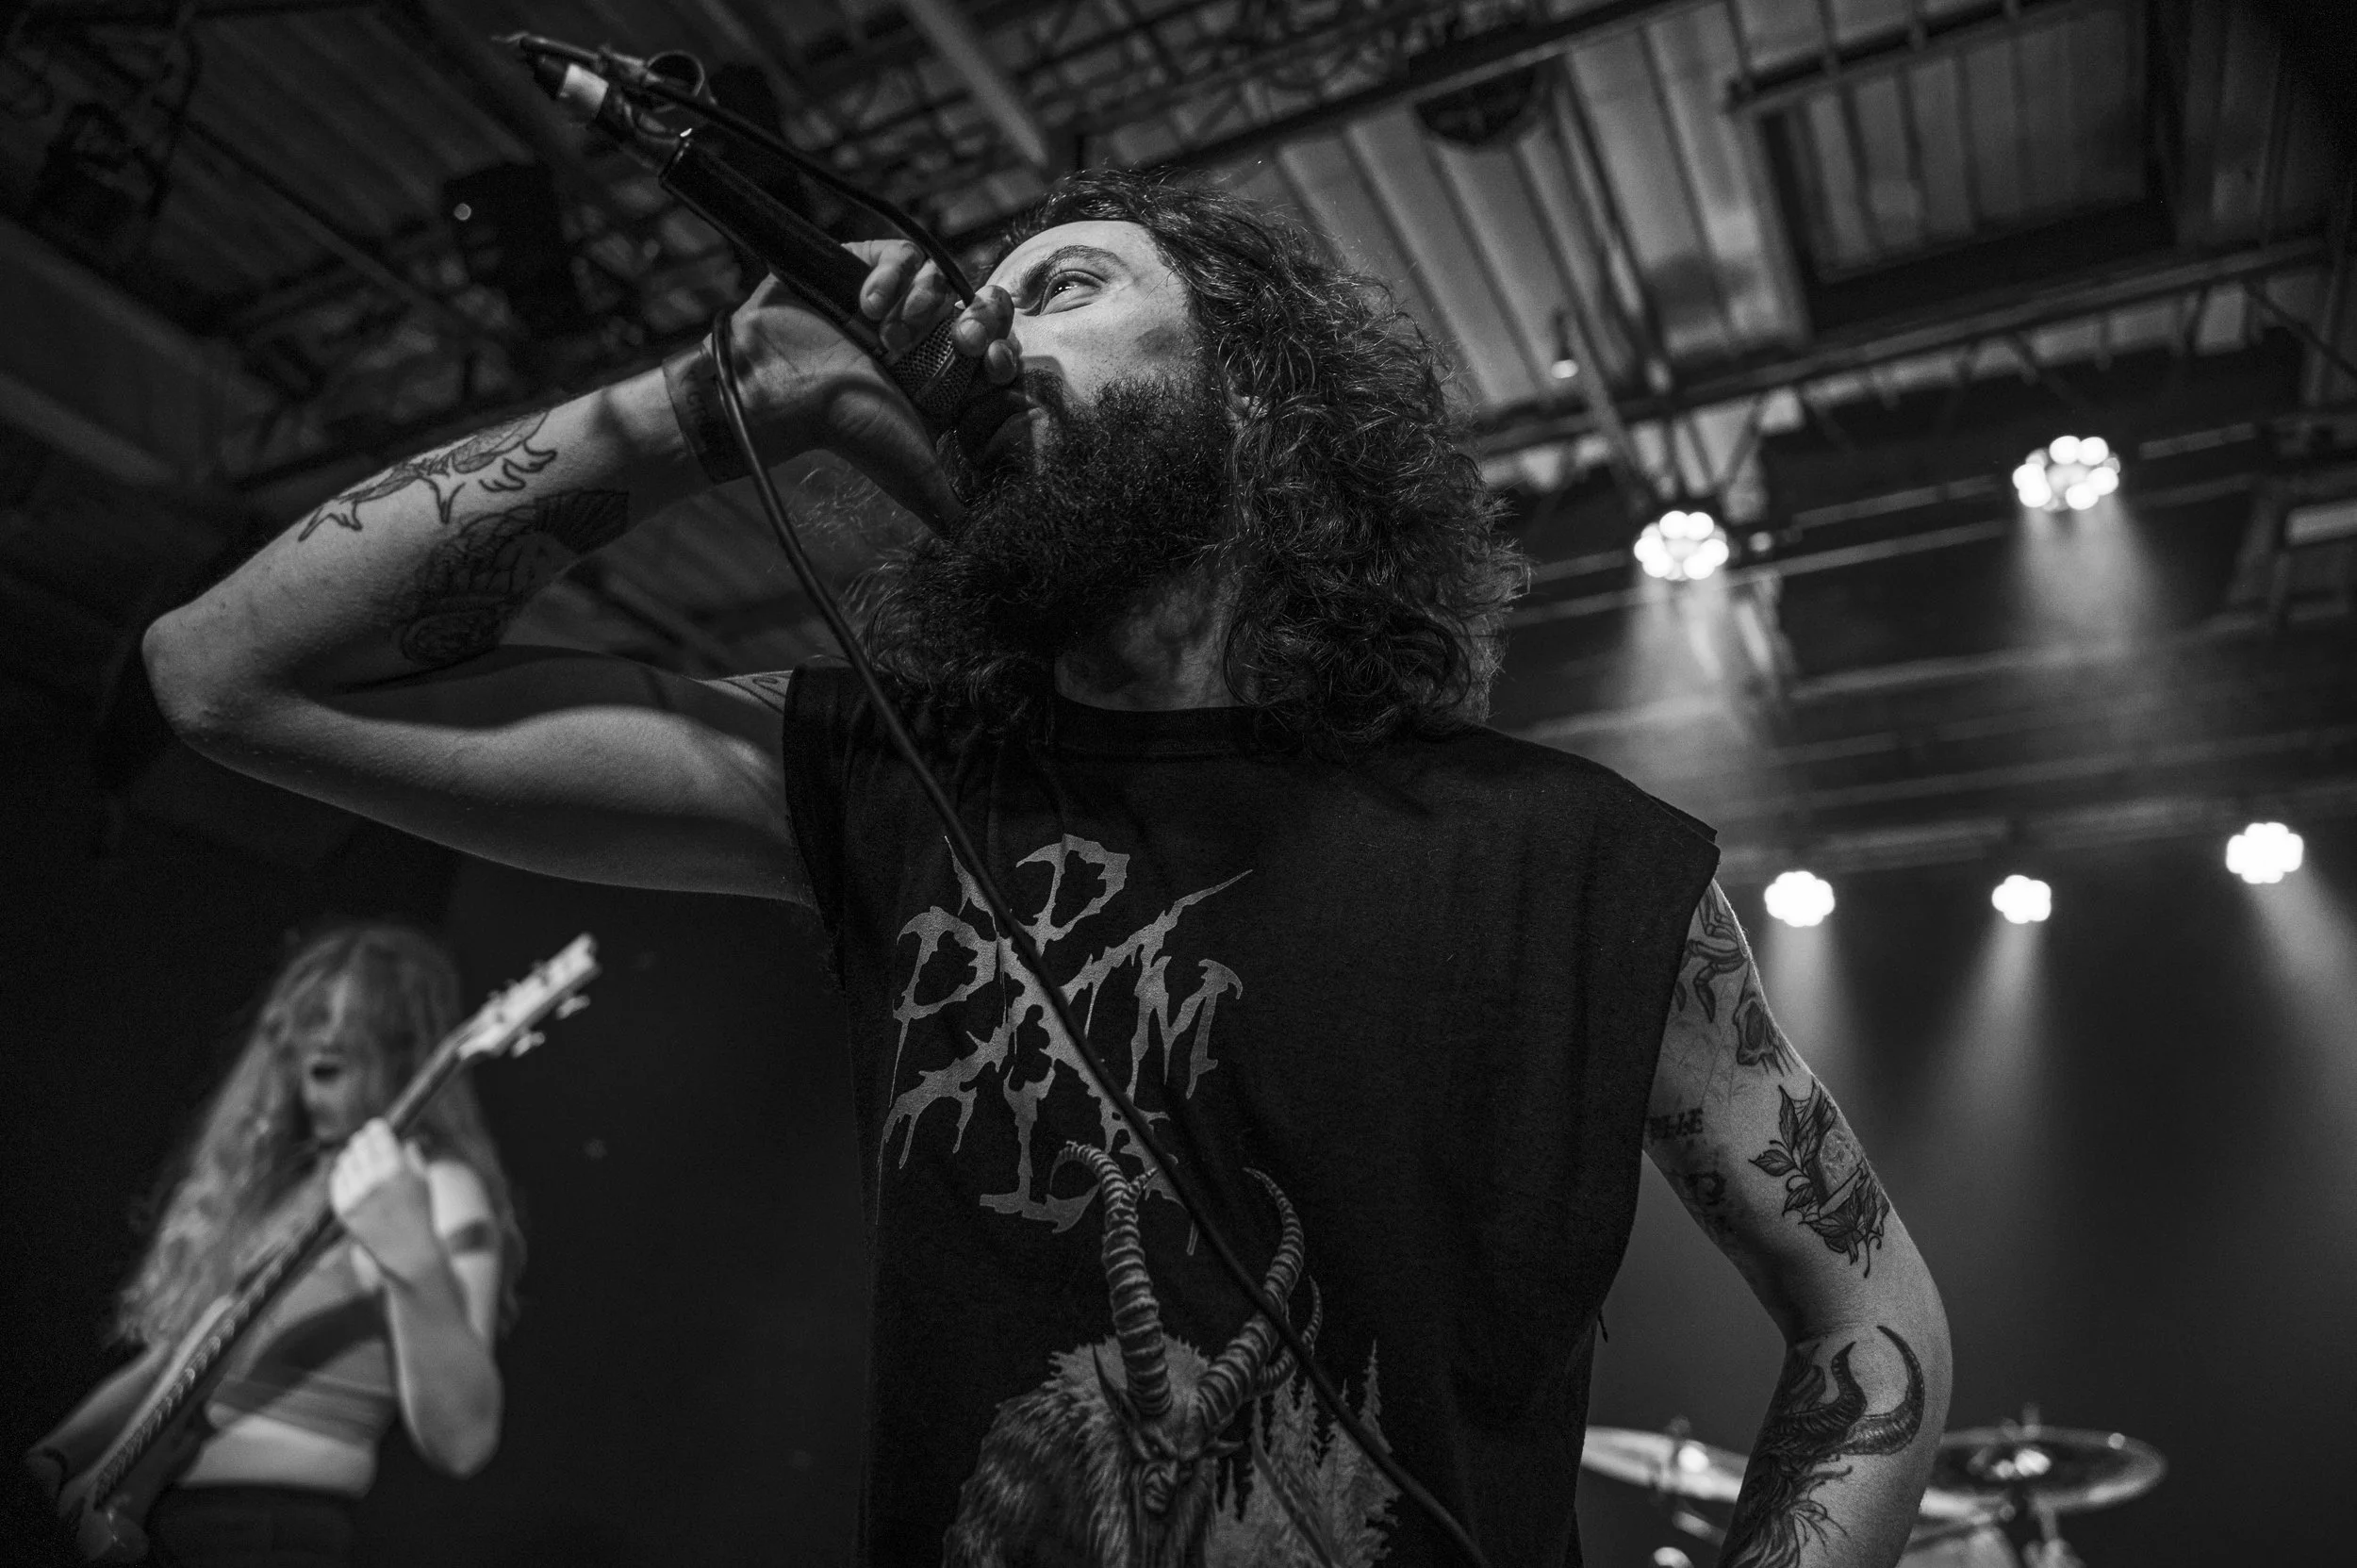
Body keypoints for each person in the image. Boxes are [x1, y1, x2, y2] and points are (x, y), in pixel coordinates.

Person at [141, 170, 1951, 1565]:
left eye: (1065, 289)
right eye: (980, 302)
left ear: (1256, 394)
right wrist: (707, 401)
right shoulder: (883, 779)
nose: (985, 333)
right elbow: (226, 674)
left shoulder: (1575, 863)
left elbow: (1873, 1314)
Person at [26, 922, 517, 1568]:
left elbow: (463, 1439)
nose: (328, 1033)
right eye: (312, 1015)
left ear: (407, 1042)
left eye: (359, 1017)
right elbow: (171, 1362)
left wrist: (414, 1258)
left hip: (267, 1532)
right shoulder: (283, 1194)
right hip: (160, 1521)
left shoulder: (432, 1183)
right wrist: (57, 1459)